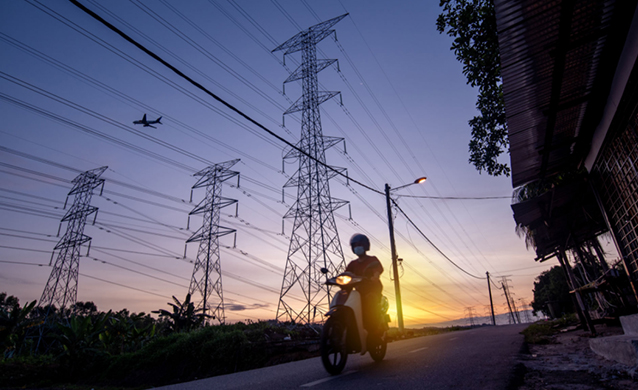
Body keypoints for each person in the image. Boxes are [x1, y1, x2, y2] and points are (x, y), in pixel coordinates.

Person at [345, 233, 383, 334]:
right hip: (358, 292)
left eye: (360, 245)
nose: (357, 247)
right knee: (345, 301)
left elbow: (377, 270)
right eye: (355, 245)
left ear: (366, 246)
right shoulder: (352, 264)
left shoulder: (372, 260)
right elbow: (347, 273)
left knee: (370, 302)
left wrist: (375, 276)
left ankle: (373, 330)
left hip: (372, 289)